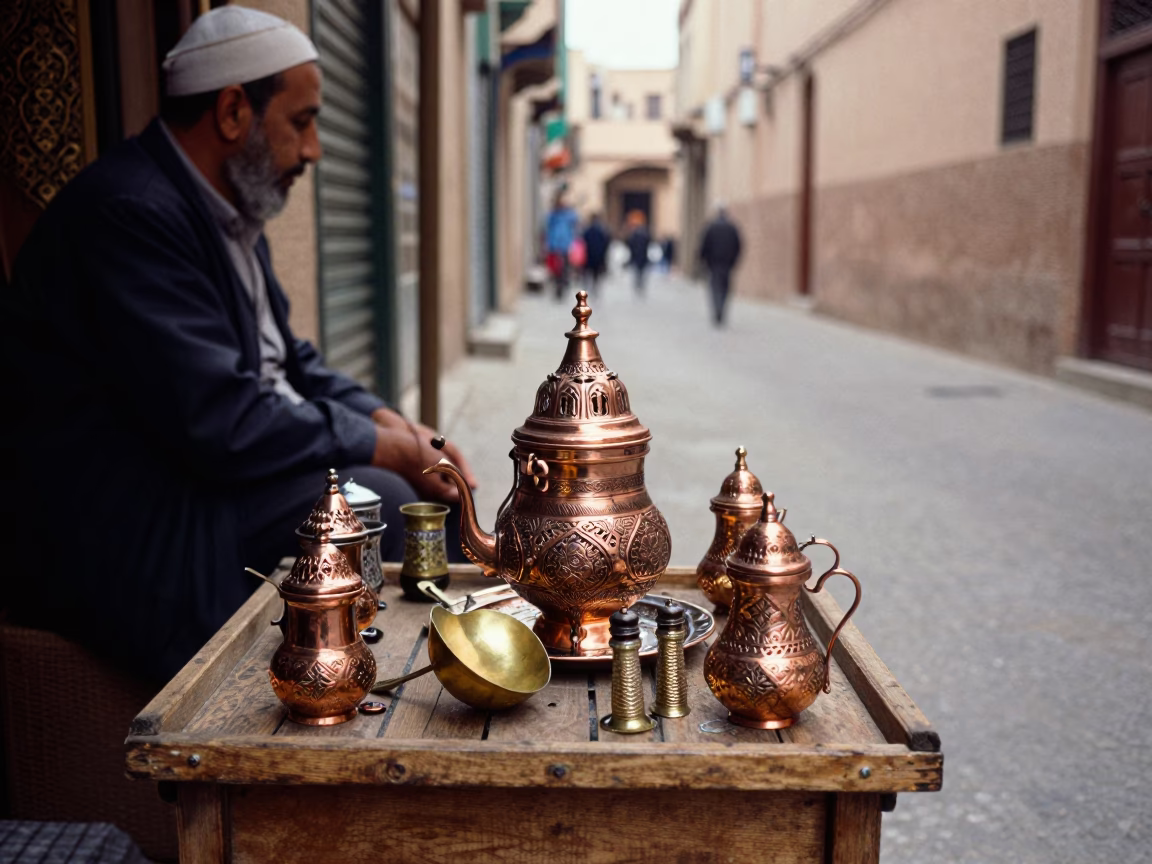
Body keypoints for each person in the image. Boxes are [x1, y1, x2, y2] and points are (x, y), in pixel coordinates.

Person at [0, 7, 477, 682]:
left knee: (426, 491)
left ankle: (446, 678)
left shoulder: (220, 213)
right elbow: (220, 420)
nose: (313, 151)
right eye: (302, 122)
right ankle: (370, 713)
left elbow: (294, 366)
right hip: (136, 527)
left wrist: (392, 425)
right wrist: (381, 448)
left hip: (200, 484)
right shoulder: (131, 214)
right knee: (377, 506)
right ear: (231, 112)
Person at [698, 204, 743, 325]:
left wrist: (702, 260)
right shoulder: (732, 227)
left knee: (715, 288)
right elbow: (739, 246)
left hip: (714, 264)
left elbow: (704, 245)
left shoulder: (711, 227)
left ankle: (717, 309)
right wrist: (734, 261)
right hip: (727, 264)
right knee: (725, 288)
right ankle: (721, 309)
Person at [544, 191, 579, 300]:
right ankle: (558, 287)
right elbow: (546, 228)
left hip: (565, 246)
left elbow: (576, 221)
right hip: (554, 246)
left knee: (564, 268)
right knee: (555, 269)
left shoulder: (568, 215)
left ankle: (563, 286)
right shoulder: (552, 215)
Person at [581, 213, 610, 295]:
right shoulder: (601, 231)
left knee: (588, 272)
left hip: (589, 255)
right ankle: (594, 287)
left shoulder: (588, 230)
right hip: (597, 255)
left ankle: (588, 286)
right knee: (595, 273)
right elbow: (606, 243)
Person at [625, 210, 652, 295]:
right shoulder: (645, 234)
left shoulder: (634, 235)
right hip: (643, 256)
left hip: (637, 256)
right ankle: (640, 286)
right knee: (641, 273)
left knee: (637, 273)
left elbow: (630, 244)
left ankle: (638, 286)